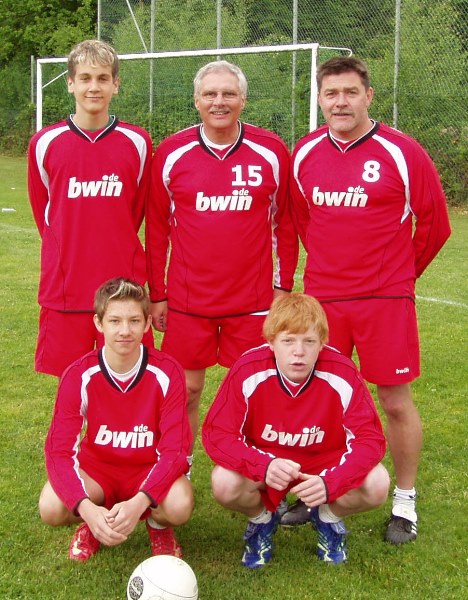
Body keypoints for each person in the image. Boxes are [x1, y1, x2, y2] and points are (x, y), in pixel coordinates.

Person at [286, 56, 451, 544]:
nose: (341, 102)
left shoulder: (402, 152)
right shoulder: (305, 154)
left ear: (368, 96)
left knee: (395, 401)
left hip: (384, 301)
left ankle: (404, 499)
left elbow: (435, 224)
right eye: (331, 93)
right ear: (319, 99)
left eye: (350, 92)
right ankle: (317, 491)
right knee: (319, 399)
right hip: (325, 301)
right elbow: (302, 222)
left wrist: (400, 276)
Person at [145, 60, 298, 449]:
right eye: (210, 94)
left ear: (243, 100)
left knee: (256, 390)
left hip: (253, 300)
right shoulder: (172, 153)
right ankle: (178, 466)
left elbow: (286, 223)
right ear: (196, 100)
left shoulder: (271, 150)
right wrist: (159, 293)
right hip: (188, 299)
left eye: (228, 93)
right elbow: (158, 229)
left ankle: (256, 471)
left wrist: (282, 286)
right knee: (187, 390)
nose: (219, 101)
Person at [202, 293, 389, 568]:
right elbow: (217, 434)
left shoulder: (342, 372)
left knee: (377, 484)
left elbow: (370, 439)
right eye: (288, 341)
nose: (298, 352)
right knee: (224, 483)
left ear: (322, 343)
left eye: (309, 341)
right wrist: (262, 465)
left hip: (323, 462)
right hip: (268, 461)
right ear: (271, 342)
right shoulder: (248, 370)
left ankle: (327, 517)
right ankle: (262, 519)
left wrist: (332, 482)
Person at [38, 278, 193, 562]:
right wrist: (84, 507)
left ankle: (158, 525)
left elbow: (175, 450)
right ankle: (94, 523)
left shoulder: (167, 372)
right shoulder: (78, 375)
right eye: (115, 321)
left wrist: (140, 501)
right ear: (99, 323)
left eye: (134, 320)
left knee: (180, 504)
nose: (125, 331)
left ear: (147, 324)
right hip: (99, 471)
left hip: (146, 467)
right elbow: (59, 452)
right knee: (51, 506)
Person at [28, 39, 153, 378]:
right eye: (84, 78)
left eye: (102, 78)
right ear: (70, 83)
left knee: (131, 383)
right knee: (71, 385)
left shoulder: (137, 142)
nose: (93, 87)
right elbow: (45, 214)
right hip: (66, 288)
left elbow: (137, 211)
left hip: (122, 290)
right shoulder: (45, 143)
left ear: (116, 84)